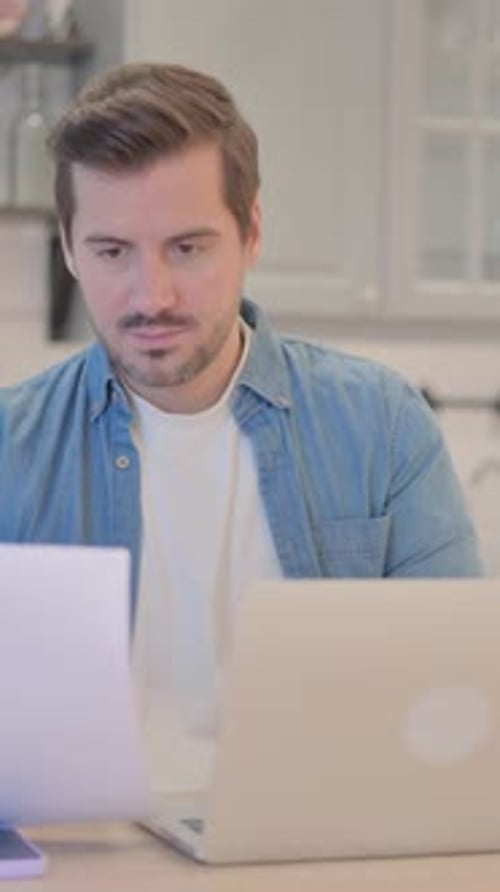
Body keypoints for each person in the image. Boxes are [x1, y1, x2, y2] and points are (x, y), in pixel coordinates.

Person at [0, 62, 483, 789]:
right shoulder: (11, 446)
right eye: (111, 252)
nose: (150, 295)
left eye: (187, 248)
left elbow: (461, 697)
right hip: (89, 854)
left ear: (250, 231)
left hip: (321, 837)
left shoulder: (383, 427)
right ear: (69, 248)